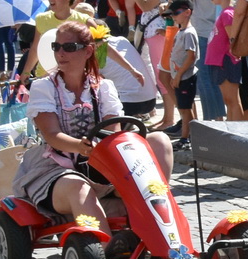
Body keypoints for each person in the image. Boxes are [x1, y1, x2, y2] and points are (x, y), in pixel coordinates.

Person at [11, 18, 175, 218]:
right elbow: (52, 135)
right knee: (79, 187)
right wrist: (81, 147)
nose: (60, 53)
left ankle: (159, 213)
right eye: (57, 47)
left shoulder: (103, 87)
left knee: (159, 140)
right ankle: (105, 247)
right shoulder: (43, 87)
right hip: (55, 166)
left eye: (69, 47)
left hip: (99, 162)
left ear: (88, 51)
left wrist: (101, 151)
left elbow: (112, 130)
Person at [200, 0, 245, 122]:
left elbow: (232, 38)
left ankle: (236, 134)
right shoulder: (225, 12)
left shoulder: (227, 13)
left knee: (232, 101)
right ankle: (232, 132)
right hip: (220, 62)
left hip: (225, 61)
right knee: (229, 101)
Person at [163, 0, 200, 148]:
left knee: (185, 110)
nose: (173, 17)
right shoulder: (182, 31)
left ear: (187, 12)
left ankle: (186, 138)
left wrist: (178, 75)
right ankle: (188, 137)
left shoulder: (189, 33)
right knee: (184, 109)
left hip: (185, 77)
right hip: (181, 76)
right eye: (172, 14)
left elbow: (191, 56)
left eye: (176, 13)